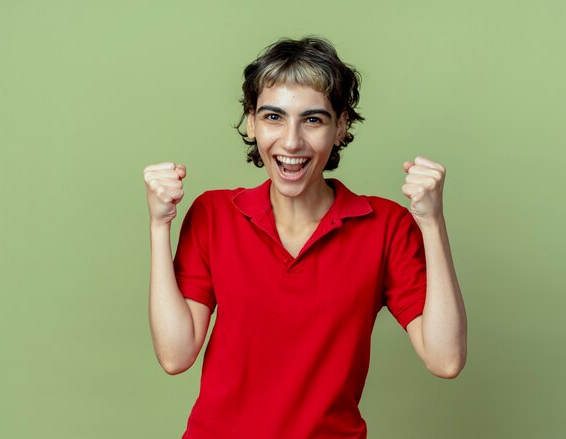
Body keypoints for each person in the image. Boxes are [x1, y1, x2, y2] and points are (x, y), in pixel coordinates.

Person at [143, 36, 467, 439]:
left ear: (341, 125)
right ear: (251, 121)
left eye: (312, 119)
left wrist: (433, 222)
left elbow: (446, 358)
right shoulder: (213, 215)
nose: (291, 141)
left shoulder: (385, 226)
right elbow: (176, 355)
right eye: (273, 117)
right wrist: (160, 226)